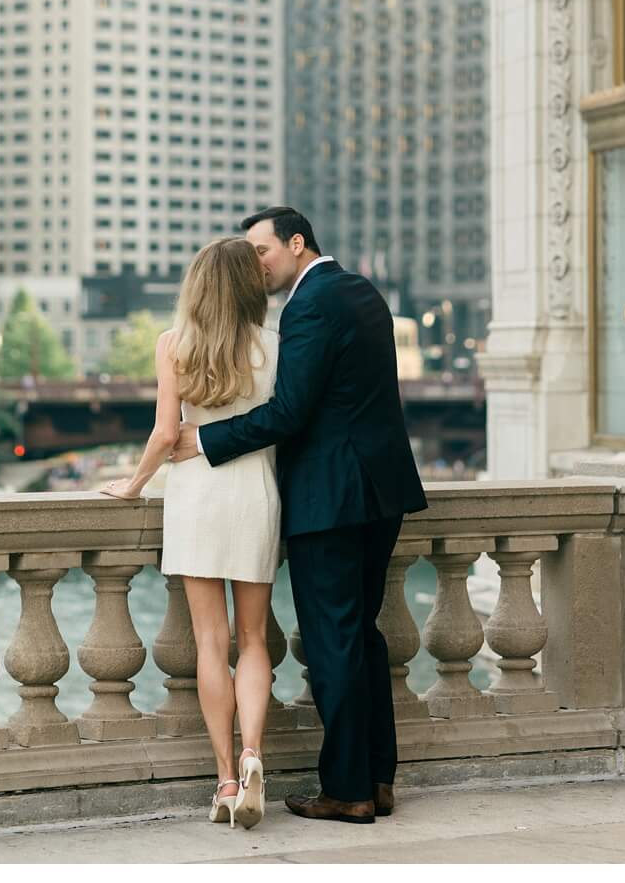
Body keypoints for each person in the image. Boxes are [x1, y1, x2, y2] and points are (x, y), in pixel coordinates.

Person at [171, 207, 429, 824]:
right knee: (362, 636)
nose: (255, 265)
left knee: (333, 641)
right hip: (381, 491)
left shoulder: (308, 306)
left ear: (296, 242)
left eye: (262, 251)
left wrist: (203, 441)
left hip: (331, 498)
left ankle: (348, 791)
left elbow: (289, 413)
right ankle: (378, 778)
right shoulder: (363, 291)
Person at [100, 236, 281, 829]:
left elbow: (164, 432)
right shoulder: (273, 347)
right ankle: (255, 753)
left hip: (197, 496)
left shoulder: (174, 345)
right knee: (254, 639)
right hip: (254, 491)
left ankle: (227, 779)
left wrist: (133, 485)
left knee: (212, 643)